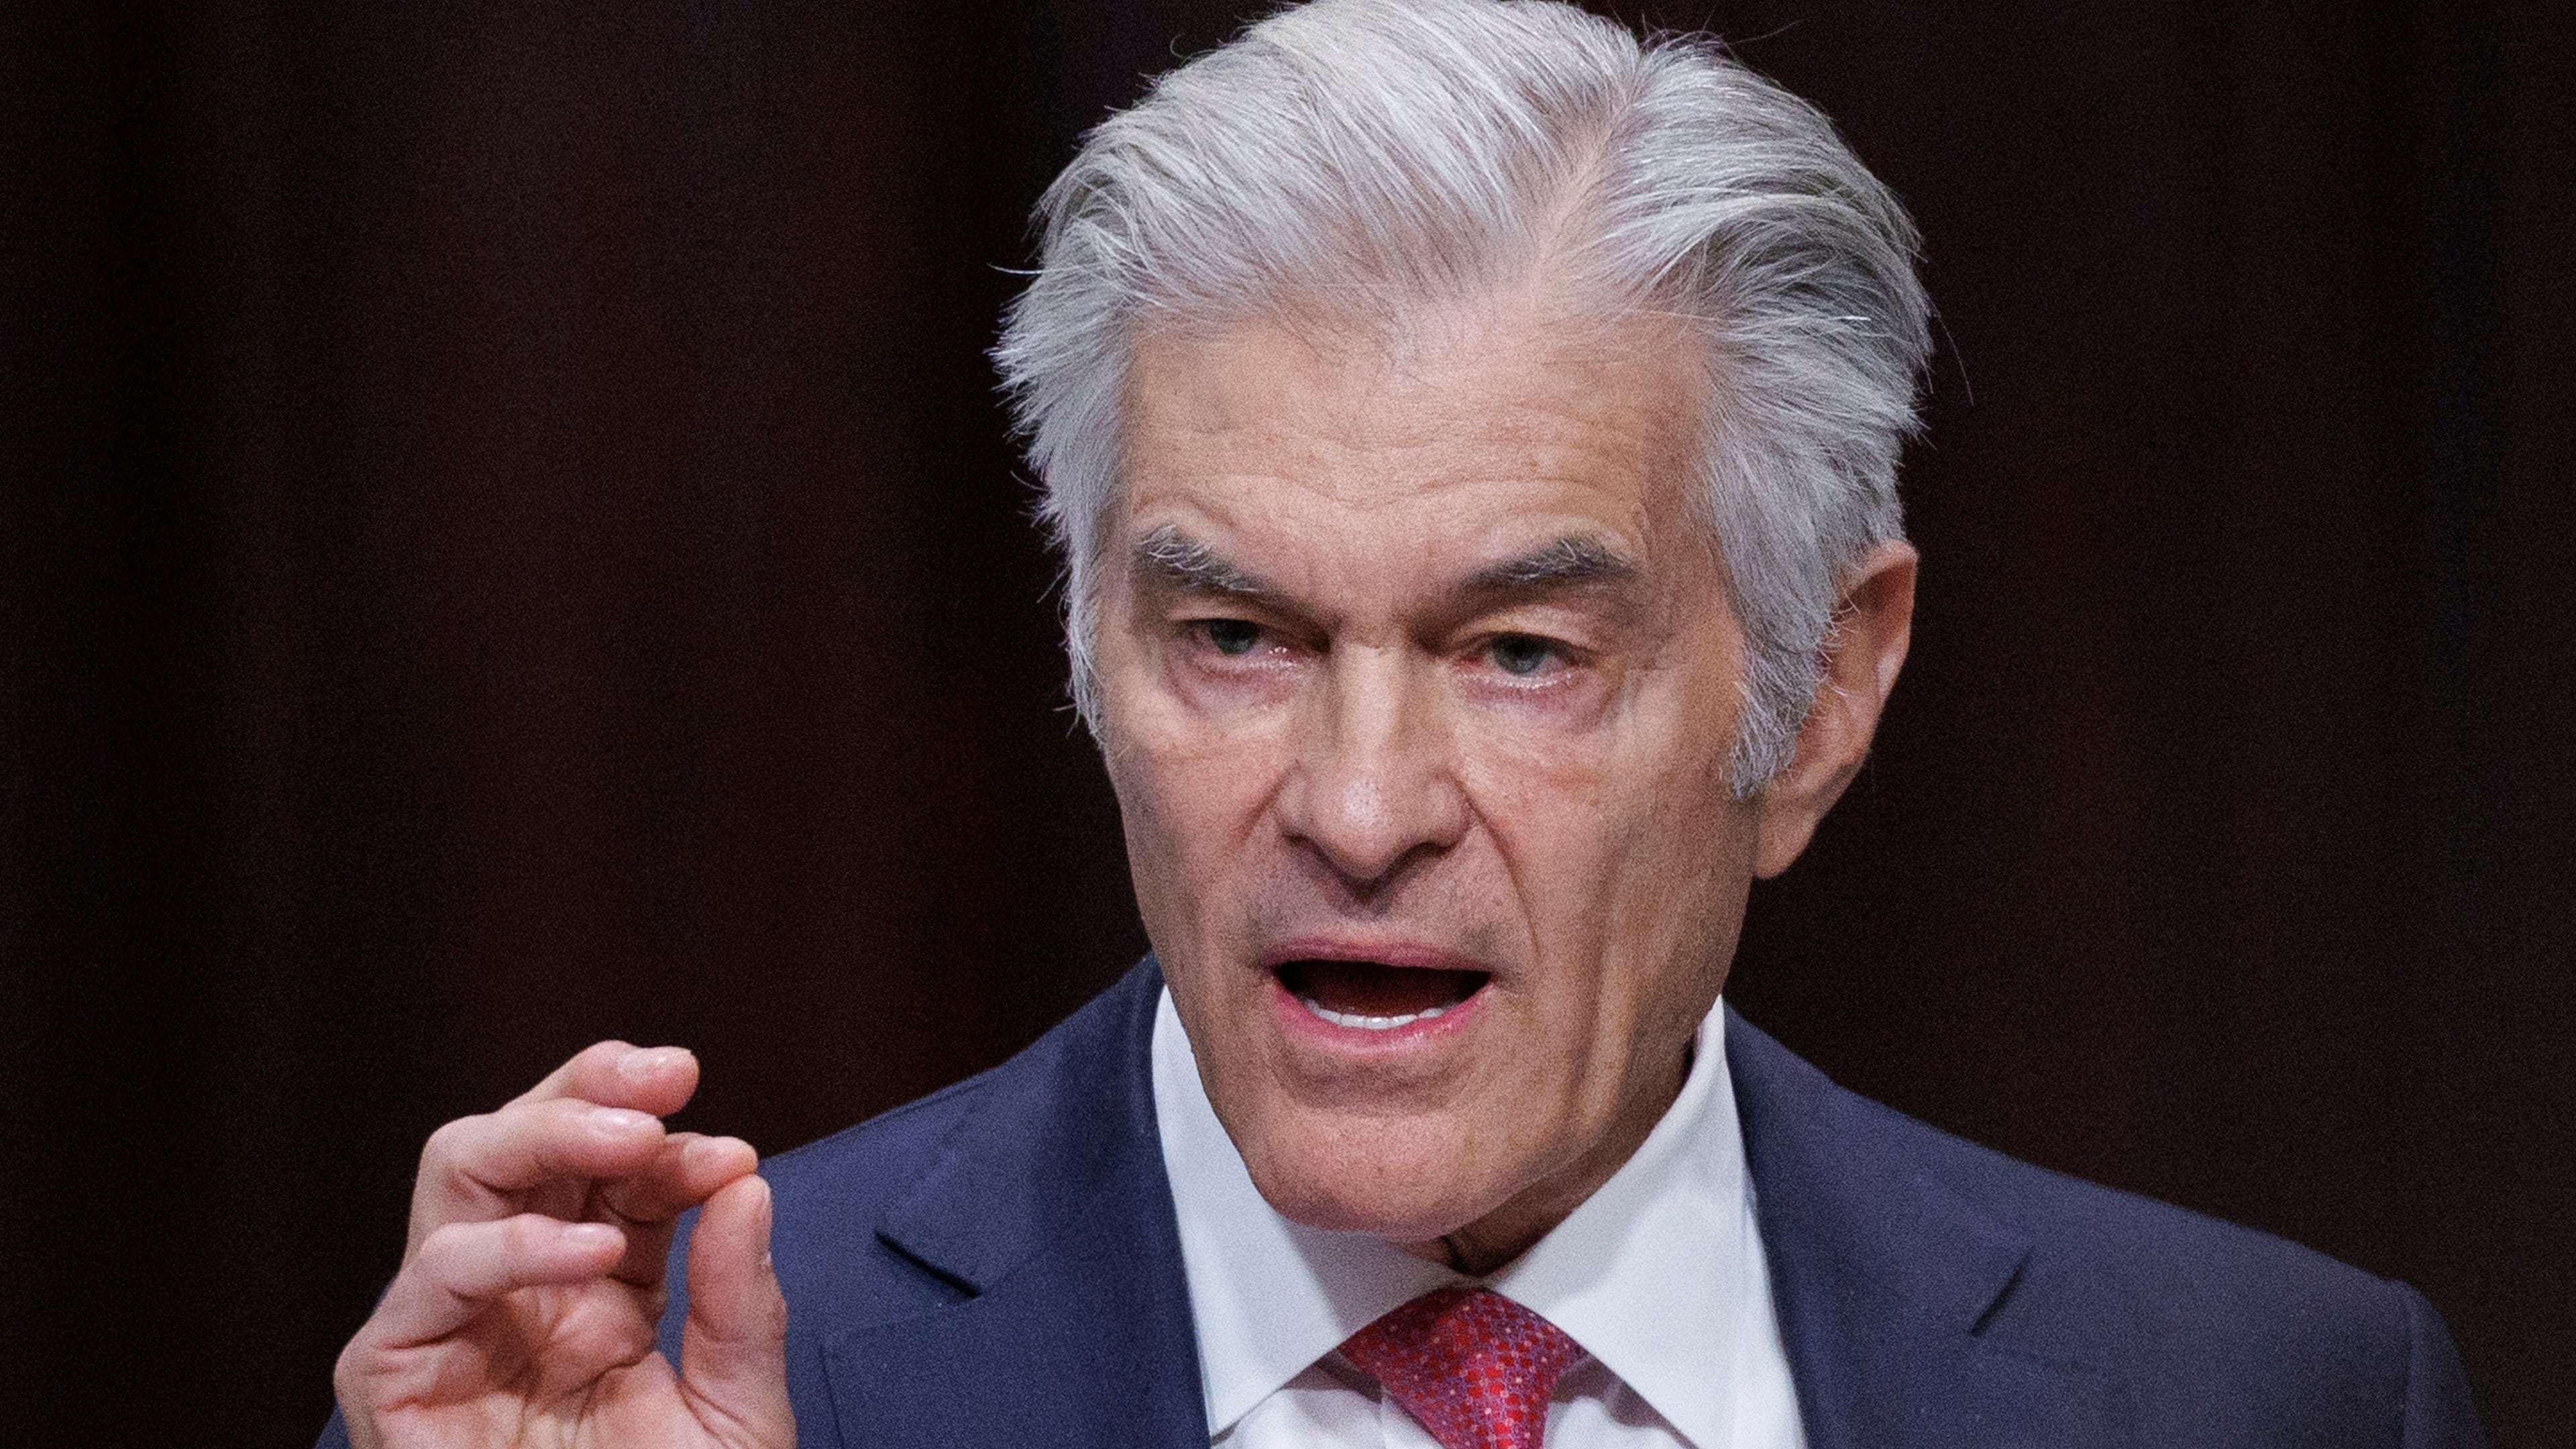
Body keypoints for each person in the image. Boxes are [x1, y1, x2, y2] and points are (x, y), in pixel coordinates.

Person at [320, 2, 2485, 1446]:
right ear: (1087, 645)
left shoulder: (2264, 1397)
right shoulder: (630, 1391)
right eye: (1235, 635)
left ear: (1824, 690)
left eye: (1523, 654)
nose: (1358, 812)